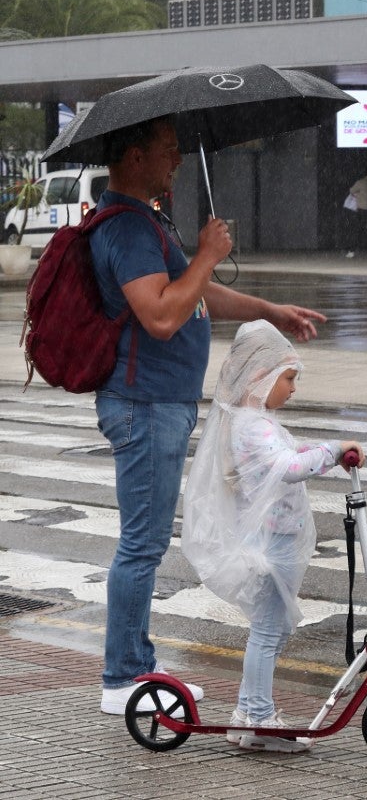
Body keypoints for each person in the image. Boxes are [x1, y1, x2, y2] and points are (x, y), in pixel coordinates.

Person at [91, 115, 326, 715]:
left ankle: (136, 662)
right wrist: (206, 252)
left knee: (143, 541)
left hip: (160, 403)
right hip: (143, 405)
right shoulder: (126, 230)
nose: (175, 162)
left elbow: (200, 293)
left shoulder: (148, 222)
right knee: (141, 545)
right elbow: (164, 315)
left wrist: (268, 309)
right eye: (167, 152)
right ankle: (122, 678)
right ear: (136, 155)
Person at [182, 320, 364, 753]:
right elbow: (288, 467)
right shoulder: (253, 426)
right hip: (272, 544)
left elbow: (287, 455)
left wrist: (321, 451)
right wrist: (334, 450)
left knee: (274, 629)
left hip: (273, 539)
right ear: (258, 380)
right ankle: (259, 718)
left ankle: (248, 713)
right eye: (288, 378)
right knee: (268, 632)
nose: (294, 388)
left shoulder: (253, 423)